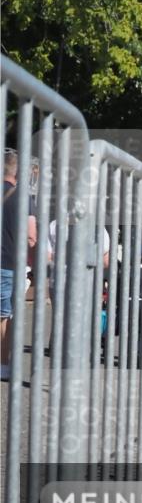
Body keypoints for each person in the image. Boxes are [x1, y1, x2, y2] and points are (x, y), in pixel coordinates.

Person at [1, 149, 37, 380]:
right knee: (6, 315)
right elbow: (31, 236)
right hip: (11, 264)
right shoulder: (23, 197)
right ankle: (5, 363)